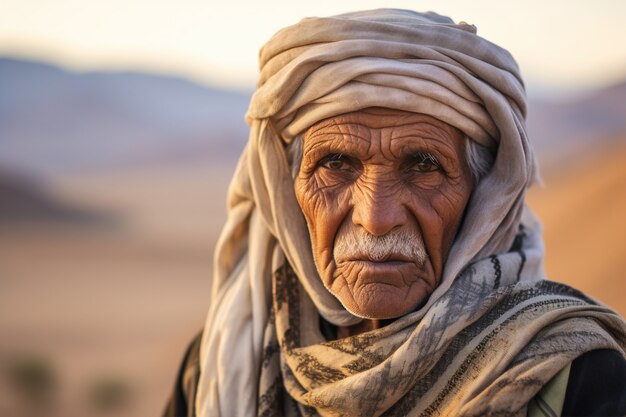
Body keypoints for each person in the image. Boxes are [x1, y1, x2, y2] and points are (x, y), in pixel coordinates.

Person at [164, 9, 626, 417]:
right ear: (286, 191)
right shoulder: (218, 363)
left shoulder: (578, 375)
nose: (376, 217)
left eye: (424, 166)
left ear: (485, 196)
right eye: (335, 164)